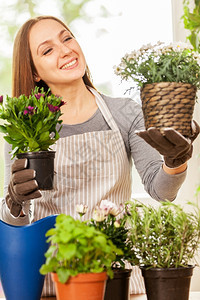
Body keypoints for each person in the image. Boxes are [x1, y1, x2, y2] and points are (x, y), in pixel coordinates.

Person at [0, 15, 199, 296]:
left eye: (66, 38)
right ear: (34, 72)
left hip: (116, 276)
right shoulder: (26, 126)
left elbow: (161, 190)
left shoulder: (125, 113)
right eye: (48, 50)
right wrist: (13, 200)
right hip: (55, 279)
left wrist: (175, 162)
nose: (65, 49)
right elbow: (18, 221)